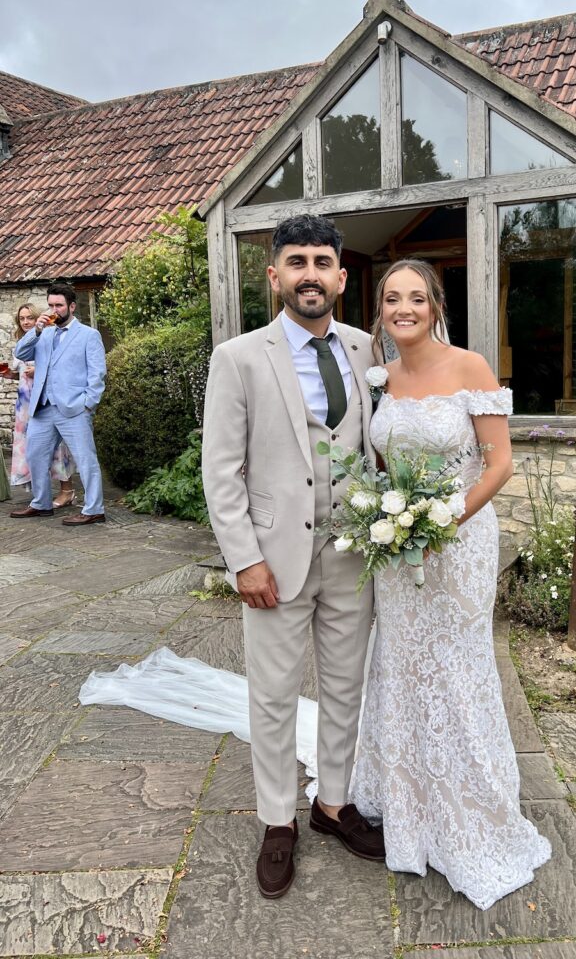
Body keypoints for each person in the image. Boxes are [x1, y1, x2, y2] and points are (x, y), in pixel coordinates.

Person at [349, 258, 552, 910]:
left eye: (415, 298)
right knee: (403, 666)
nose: (402, 309)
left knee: (457, 670)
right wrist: (388, 514)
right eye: (390, 299)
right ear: (379, 310)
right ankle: (411, 806)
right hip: (399, 553)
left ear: (436, 305)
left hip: (457, 546)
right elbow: (385, 459)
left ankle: (471, 812)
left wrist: (443, 518)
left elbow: (499, 463)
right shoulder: (382, 376)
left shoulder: (469, 367)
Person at [201, 214, 385, 899]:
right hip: (275, 559)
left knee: (345, 688)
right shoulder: (240, 357)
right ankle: (278, 820)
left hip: (355, 552)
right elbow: (221, 470)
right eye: (296, 261)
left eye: (322, 261)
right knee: (273, 696)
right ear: (274, 275)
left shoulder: (369, 350)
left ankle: (332, 805)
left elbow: (381, 445)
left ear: (341, 276)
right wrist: (243, 558)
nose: (310, 273)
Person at [10, 282, 107, 526]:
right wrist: (38, 330)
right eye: (51, 305)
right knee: (35, 456)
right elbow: (20, 353)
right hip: (43, 407)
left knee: (86, 459)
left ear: (71, 306)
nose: (54, 309)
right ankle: (41, 504)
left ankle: (94, 509)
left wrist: (88, 405)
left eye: (59, 305)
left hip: (74, 409)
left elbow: (97, 375)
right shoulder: (44, 333)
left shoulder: (88, 335)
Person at [1, 303, 78, 506]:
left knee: (58, 446)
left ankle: (67, 490)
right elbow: (24, 375)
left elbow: (63, 368)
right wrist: (12, 375)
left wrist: (41, 371)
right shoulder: (23, 342)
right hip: (25, 403)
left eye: (30, 318)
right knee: (32, 447)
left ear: (39, 319)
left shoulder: (51, 338)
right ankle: (40, 491)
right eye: (22, 318)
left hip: (47, 400)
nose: (26, 322)